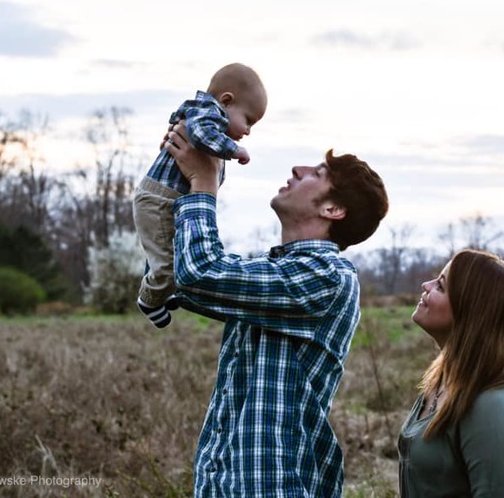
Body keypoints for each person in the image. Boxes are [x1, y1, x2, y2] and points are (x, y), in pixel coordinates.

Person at [163, 123, 389, 497]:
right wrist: (179, 169)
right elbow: (178, 280)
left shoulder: (326, 277)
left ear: (333, 208)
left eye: (317, 173)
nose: (298, 170)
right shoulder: (277, 273)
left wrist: (204, 185)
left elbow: (198, 273)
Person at [398, 249, 504, 497]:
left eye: (441, 287)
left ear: (470, 313)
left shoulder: (492, 406)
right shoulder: (445, 380)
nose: (426, 285)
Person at [132, 63, 267, 328]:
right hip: (161, 200)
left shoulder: (199, 114)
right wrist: (234, 149)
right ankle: (149, 299)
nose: (248, 130)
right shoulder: (208, 115)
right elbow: (202, 133)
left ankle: (165, 289)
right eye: (248, 120)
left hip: (168, 199)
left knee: (175, 252)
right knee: (170, 265)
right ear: (226, 101)